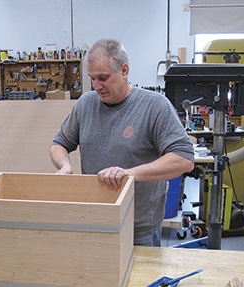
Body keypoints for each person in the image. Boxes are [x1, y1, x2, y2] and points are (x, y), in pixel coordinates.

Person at [49, 38, 194, 247]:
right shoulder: (86, 105)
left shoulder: (154, 106)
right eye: (92, 79)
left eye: (103, 78)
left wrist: (130, 174)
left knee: (140, 280)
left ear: (124, 70)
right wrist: (64, 166)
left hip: (138, 230)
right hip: (94, 222)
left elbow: (184, 158)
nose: (96, 86)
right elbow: (59, 143)